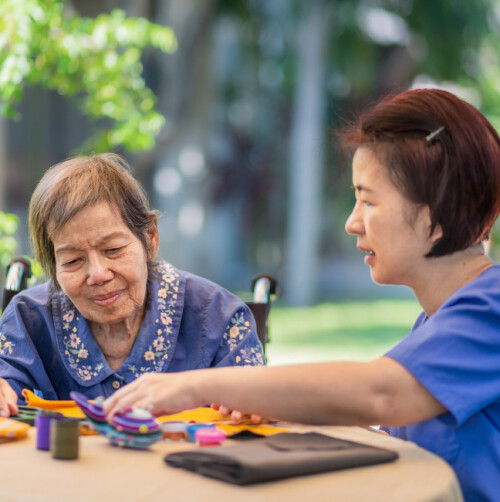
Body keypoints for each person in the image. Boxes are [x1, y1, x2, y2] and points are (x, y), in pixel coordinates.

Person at [104, 89, 500, 501]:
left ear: (434, 212)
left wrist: (196, 386)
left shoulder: (492, 311)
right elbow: (399, 439)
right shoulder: (439, 320)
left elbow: (380, 394)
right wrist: (281, 405)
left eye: (368, 200)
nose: (352, 223)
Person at [0, 154, 265, 416]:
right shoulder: (27, 320)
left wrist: (248, 403)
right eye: (73, 260)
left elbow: (257, 404)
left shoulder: (221, 318)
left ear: (150, 238)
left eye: (113, 249)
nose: (98, 274)